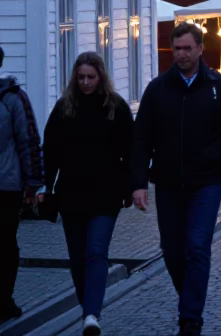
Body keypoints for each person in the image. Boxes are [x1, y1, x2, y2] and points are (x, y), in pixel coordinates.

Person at [130, 22, 221, 336]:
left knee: (197, 247)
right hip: (167, 183)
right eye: (176, 49)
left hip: (206, 182)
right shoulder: (158, 89)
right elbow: (141, 139)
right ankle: (189, 298)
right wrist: (138, 182)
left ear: (199, 49)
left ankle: (190, 317)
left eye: (186, 48)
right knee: (172, 250)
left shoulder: (218, 87)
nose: (181, 54)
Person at [43, 52, 133, 336]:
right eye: (80, 77)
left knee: (96, 253)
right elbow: (51, 152)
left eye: (90, 77)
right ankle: (88, 310)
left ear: (100, 77)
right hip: (71, 194)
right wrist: (46, 189)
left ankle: (92, 314)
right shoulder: (63, 108)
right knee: (78, 258)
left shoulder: (115, 107)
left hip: (106, 194)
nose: (85, 82)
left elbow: (130, 150)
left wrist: (131, 185)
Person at [0, 47, 44, 323]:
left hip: (6, 186)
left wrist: (33, 184)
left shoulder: (13, 99)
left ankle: (4, 299)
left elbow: (28, 140)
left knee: (4, 243)